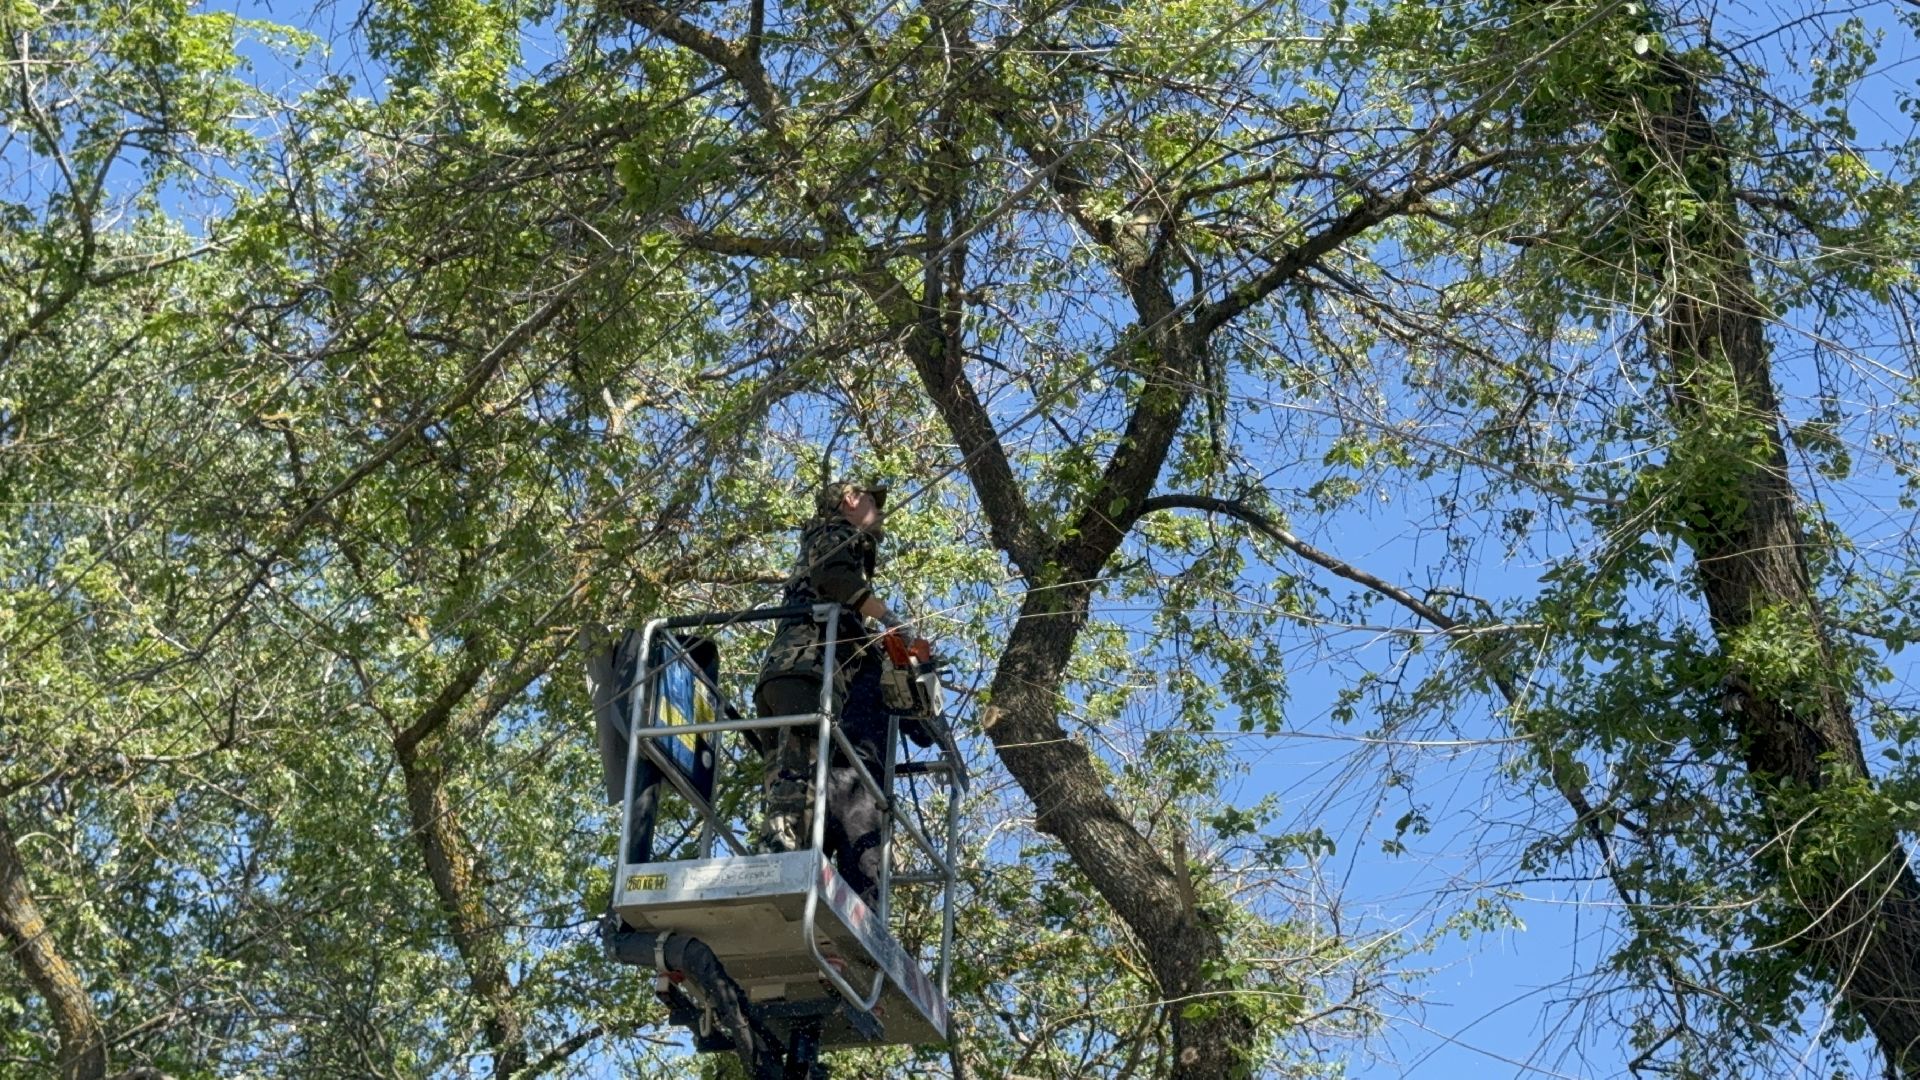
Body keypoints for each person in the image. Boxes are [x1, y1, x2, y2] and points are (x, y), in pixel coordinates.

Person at [754, 479, 934, 906]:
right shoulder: (837, 535)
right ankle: (778, 867)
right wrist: (890, 618)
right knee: (797, 782)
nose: (880, 512)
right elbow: (834, 577)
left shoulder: (831, 554)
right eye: (874, 501)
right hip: (805, 671)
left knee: (791, 780)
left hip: (788, 675)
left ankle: (783, 873)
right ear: (851, 501)